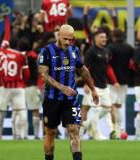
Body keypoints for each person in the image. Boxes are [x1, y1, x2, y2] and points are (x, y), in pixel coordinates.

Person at [38, 24, 99, 160]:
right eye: (65, 39)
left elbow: (82, 70)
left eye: (70, 39)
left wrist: (93, 89)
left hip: (71, 100)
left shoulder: (74, 50)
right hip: (52, 99)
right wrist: (61, 87)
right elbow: (43, 74)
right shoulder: (47, 51)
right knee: (50, 132)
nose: (67, 42)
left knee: (74, 131)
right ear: (58, 35)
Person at [82, 30, 119, 140]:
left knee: (107, 108)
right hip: (94, 86)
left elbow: (108, 68)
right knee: (95, 110)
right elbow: (85, 69)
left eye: (105, 37)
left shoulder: (106, 51)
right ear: (95, 38)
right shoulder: (91, 52)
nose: (104, 39)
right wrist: (86, 84)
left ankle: (86, 126)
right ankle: (96, 134)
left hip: (104, 85)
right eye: (102, 37)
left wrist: (115, 81)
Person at [0, 37, 30, 140]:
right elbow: (26, 74)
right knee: (21, 111)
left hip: (5, 87)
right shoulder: (21, 56)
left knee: (0, 111)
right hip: (18, 87)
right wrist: (24, 82)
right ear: (18, 46)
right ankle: (23, 135)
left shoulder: (3, 53)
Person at [106, 28, 134, 139]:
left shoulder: (110, 48)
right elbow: (133, 63)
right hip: (125, 81)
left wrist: (113, 80)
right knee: (118, 106)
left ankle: (115, 130)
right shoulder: (129, 48)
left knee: (111, 106)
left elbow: (107, 64)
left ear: (113, 36)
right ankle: (119, 130)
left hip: (112, 82)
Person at [18, 37, 42, 139]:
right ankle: (36, 135)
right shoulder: (33, 56)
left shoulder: (17, 56)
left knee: (19, 110)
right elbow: (37, 71)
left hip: (19, 86)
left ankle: (22, 135)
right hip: (31, 85)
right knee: (35, 111)